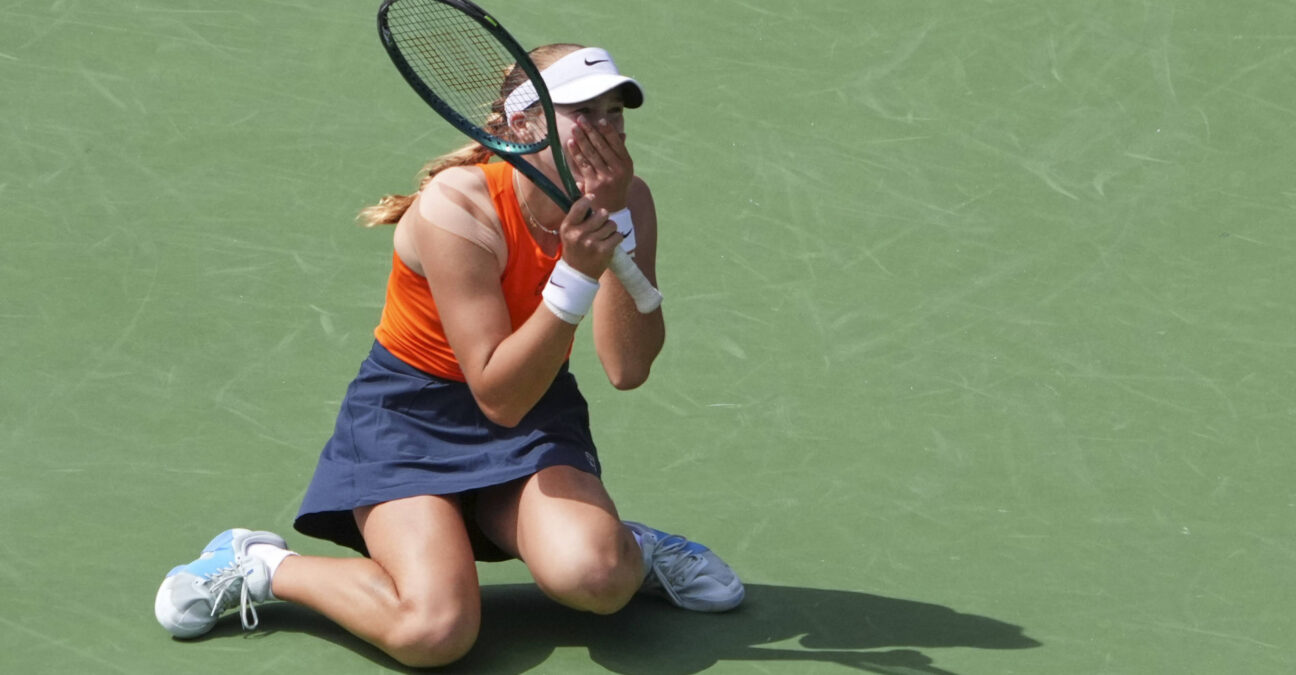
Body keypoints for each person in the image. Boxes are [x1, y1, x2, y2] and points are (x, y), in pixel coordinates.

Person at [153, 43, 744, 668]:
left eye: (614, 112)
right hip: (410, 418)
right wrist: (574, 275)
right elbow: (497, 393)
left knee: (598, 578)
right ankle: (261, 565)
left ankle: (634, 549)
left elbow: (627, 370)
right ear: (524, 125)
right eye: (583, 112)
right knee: (433, 632)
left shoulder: (628, 201)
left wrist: (617, 223)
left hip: (535, 407)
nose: (605, 130)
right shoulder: (459, 207)